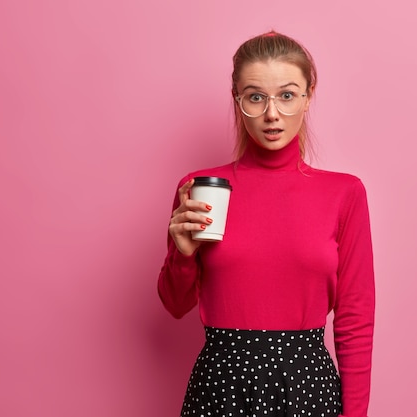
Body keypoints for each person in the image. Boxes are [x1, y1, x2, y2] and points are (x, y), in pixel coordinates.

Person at [158, 30, 375, 417]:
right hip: (220, 387)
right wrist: (182, 256)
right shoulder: (203, 189)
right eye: (256, 97)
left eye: (287, 95)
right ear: (237, 99)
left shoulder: (345, 193)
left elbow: (355, 320)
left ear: (308, 96)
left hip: (307, 388)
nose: (271, 114)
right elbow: (175, 305)